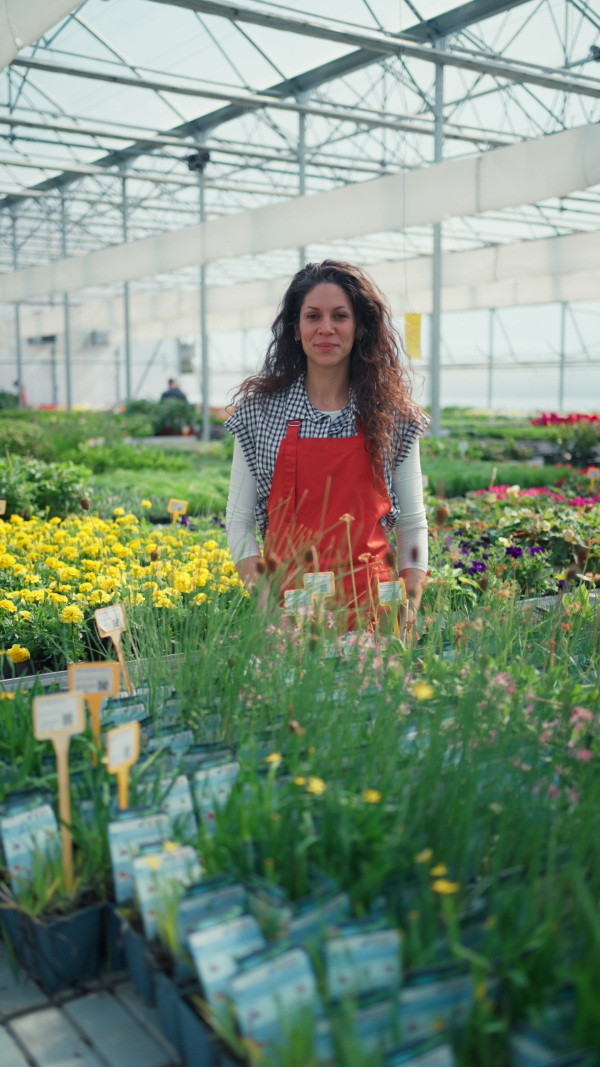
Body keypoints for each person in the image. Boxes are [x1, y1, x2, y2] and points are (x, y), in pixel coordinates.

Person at [225, 260, 428, 633]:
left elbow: (413, 525)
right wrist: (266, 600)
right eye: (313, 316)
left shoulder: (392, 415)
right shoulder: (260, 413)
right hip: (289, 609)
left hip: (375, 609)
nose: (326, 329)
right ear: (295, 327)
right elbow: (238, 524)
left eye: (340, 316)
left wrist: (409, 606)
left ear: (361, 326)